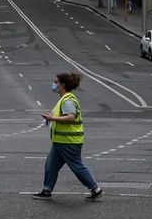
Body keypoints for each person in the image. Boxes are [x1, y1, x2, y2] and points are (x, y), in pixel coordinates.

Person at [32, 72, 103, 202]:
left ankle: (96, 189)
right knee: (51, 165)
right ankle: (46, 190)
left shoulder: (68, 100)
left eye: (55, 82)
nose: (54, 85)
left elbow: (70, 117)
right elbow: (63, 115)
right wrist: (51, 118)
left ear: (62, 85)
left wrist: (52, 118)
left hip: (68, 141)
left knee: (77, 166)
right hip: (60, 141)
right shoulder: (64, 99)